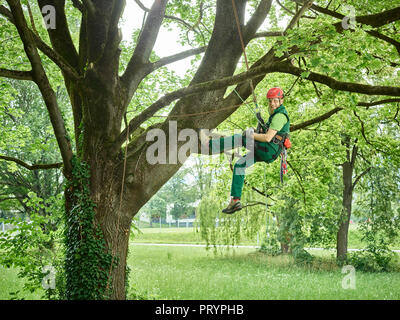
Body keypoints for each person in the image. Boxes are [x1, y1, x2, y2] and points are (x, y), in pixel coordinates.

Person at [200, 87, 290, 214]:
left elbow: (268, 138)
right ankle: (235, 200)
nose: (272, 104)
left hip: (268, 149)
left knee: (240, 138)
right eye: (270, 101)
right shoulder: (275, 115)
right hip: (269, 152)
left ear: (281, 101)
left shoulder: (280, 116)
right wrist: (255, 131)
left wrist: (250, 135)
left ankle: (209, 144)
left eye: (275, 101)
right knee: (240, 165)